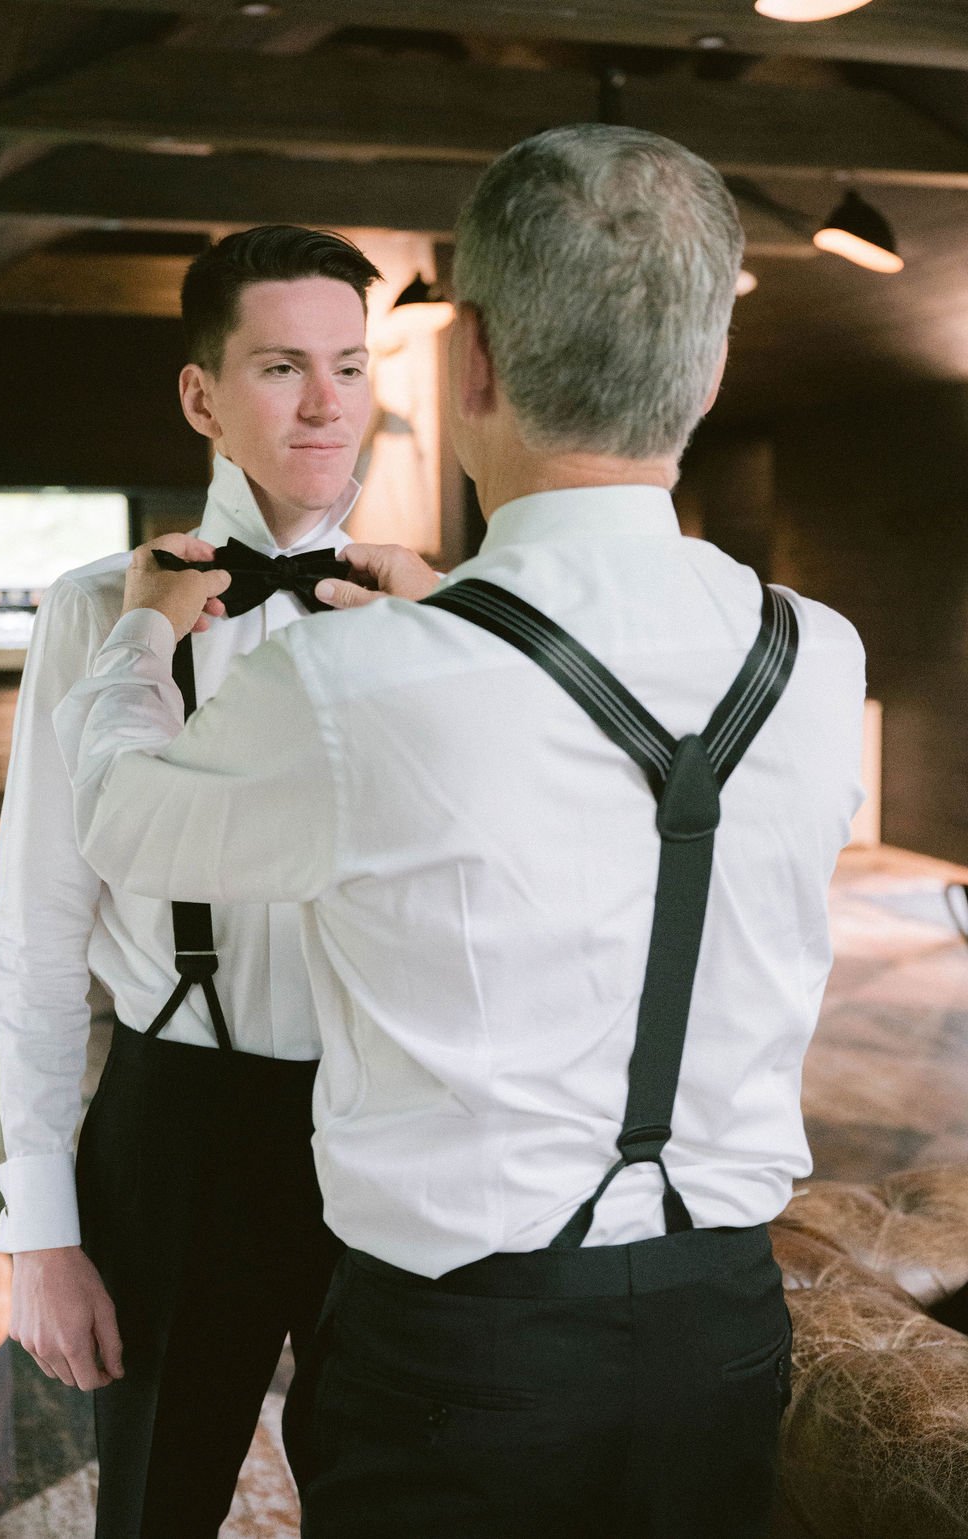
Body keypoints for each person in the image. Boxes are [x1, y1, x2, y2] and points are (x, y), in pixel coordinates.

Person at [54, 125, 866, 1539]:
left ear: (467, 357)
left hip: (464, 1360)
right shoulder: (820, 653)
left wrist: (134, 641)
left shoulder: (369, 680)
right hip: (725, 1330)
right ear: (710, 366)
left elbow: (125, 822)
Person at [0, 223, 381, 1538]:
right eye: (284, 366)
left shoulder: (437, 611)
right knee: (155, 1501)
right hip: (181, 1124)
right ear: (202, 395)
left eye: (350, 363)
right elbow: (41, 923)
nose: (329, 402)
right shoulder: (94, 608)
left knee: (394, 1495)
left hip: (388, 1115)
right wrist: (38, 1226)